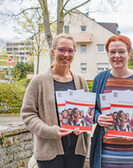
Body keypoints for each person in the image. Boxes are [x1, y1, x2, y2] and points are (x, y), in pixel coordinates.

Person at [21, 33, 90, 168]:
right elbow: (27, 114)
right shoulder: (38, 82)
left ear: (74, 52)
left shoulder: (80, 81)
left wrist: (81, 126)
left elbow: (86, 113)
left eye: (70, 50)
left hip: (77, 151)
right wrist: (49, 130)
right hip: (49, 150)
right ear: (53, 51)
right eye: (61, 50)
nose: (66, 54)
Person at [90, 35, 133, 168]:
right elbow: (91, 109)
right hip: (105, 155)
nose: (117, 56)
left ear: (129, 53)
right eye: (112, 52)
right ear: (107, 54)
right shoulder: (100, 79)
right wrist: (98, 117)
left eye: (121, 51)